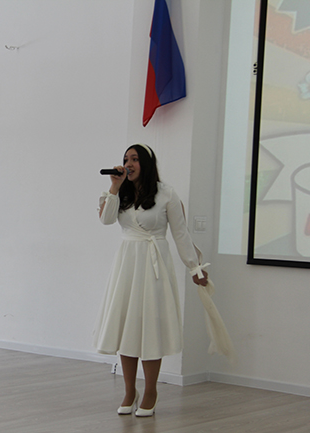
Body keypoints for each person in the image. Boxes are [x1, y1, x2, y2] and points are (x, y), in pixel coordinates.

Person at [94, 144, 208, 417]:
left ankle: (150, 392)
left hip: (154, 265)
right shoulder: (119, 192)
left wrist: (195, 267)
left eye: (134, 159)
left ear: (146, 163)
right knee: (127, 326)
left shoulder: (166, 194)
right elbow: (106, 220)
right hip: (127, 264)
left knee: (150, 328)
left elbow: (180, 234)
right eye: (126, 159)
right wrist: (114, 186)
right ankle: (129, 391)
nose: (128, 163)